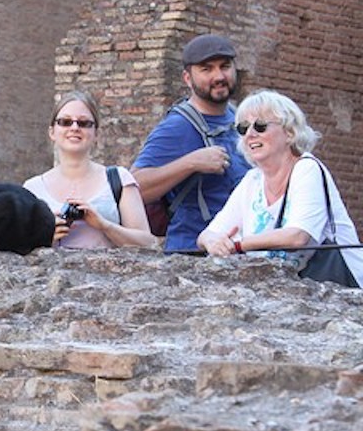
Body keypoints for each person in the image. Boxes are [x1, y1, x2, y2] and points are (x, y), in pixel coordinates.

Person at [197, 90, 363, 284]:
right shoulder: (252, 180)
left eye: (260, 126)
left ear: (290, 132)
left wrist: (237, 244)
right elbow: (208, 234)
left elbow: (297, 236)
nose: (250, 134)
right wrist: (213, 242)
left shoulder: (306, 168)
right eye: (243, 128)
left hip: (339, 290)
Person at [132, 34, 251, 251]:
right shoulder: (177, 127)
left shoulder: (242, 120)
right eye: (207, 69)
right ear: (188, 78)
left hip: (241, 251)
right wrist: (191, 163)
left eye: (225, 67)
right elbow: (134, 188)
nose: (219, 76)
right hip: (192, 256)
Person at [23, 91, 155, 249]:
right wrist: (46, 236)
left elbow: (148, 243)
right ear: (52, 132)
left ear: (96, 134)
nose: (74, 127)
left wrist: (104, 225)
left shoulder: (119, 179)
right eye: (65, 122)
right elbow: (18, 250)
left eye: (84, 123)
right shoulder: (32, 189)